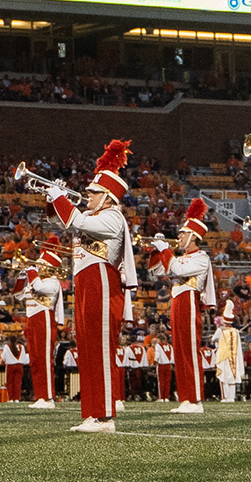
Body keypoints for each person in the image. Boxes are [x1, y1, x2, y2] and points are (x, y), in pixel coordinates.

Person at [43, 139, 136, 434]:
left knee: (100, 347)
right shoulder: (94, 215)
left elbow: (74, 219)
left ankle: (105, 415)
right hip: (85, 283)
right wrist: (51, 198)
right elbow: (60, 220)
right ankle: (93, 413)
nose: (88, 196)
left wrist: (60, 197)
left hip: (102, 283)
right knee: (87, 348)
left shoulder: (112, 218)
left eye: (94, 193)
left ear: (108, 196)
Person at [148, 198, 218, 413]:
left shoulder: (201, 258)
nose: (178, 236)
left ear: (193, 237)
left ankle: (195, 398)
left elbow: (177, 269)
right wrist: (156, 251)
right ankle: (187, 398)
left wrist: (165, 250)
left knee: (189, 349)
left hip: (188, 301)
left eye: (182, 234)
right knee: (180, 351)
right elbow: (157, 272)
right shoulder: (180, 257)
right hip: (178, 301)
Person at [21, 236, 64, 409]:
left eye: (41, 265)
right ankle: (40, 395)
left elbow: (39, 288)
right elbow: (21, 294)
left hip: (44, 319)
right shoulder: (36, 280)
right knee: (35, 359)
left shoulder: (53, 283)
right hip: (32, 319)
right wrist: (21, 276)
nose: (38, 267)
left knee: (44, 358)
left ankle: (48, 397)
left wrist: (31, 272)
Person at [213, 317, 244, 402]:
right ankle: (231, 397)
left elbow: (213, 339)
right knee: (232, 377)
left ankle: (225, 397)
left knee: (223, 377)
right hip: (233, 356)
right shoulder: (235, 331)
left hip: (223, 356)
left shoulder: (221, 330)